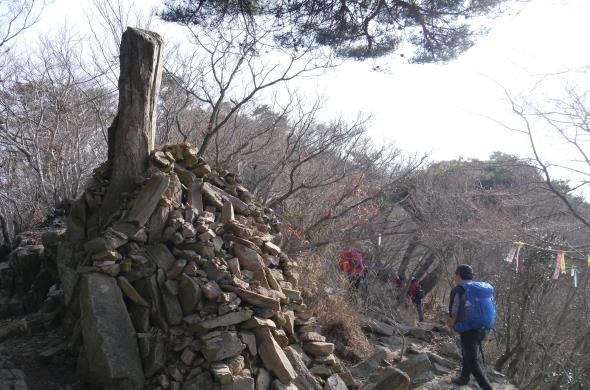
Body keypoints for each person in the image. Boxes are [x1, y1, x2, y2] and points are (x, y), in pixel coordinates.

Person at [448, 264, 494, 390]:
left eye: (456, 275)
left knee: (472, 360)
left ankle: (487, 387)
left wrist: (452, 324)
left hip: (468, 329)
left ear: (459, 275)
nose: (455, 278)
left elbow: (453, 312)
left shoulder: (458, 290)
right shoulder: (480, 289)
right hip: (483, 328)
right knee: (466, 353)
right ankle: (464, 377)